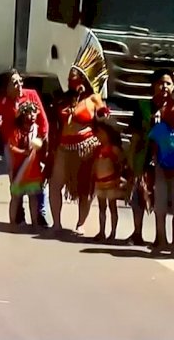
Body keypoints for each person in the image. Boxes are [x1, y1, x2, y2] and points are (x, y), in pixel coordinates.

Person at [49, 31, 109, 235]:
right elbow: (55, 123)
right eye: (69, 77)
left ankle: (81, 223)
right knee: (55, 184)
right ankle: (56, 223)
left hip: (86, 149)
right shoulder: (62, 99)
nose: (70, 80)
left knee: (85, 188)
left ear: (83, 78)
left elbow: (104, 119)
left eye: (74, 77)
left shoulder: (94, 99)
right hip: (64, 147)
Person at [0, 68, 49, 226]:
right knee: (16, 183)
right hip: (13, 148)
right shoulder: (1, 103)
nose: (19, 85)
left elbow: (43, 121)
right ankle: (18, 215)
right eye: (14, 82)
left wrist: (39, 141)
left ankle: (40, 216)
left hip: (33, 145)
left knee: (36, 184)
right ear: (7, 87)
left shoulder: (31, 95)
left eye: (20, 81)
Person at [126, 68, 174, 246]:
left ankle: (160, 237)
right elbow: (135, 137)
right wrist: (131, 162)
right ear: (154, 86)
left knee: (161, 200)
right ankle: (137, 233)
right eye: (161, 83)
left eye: (168, 83)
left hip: (167, 161)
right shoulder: (142, 107)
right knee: (139, 196)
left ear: (173, 87)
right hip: (144, 158)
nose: (164, 86)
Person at [148, 92, 174, 256]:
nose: (166, 107)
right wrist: (158, 167)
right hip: (161, 171)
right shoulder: (159, 128)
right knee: (160, 207)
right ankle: (161, 240)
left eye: (171, 104)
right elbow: (154, 149)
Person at [7, 101, 47, 229]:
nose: (33, 116)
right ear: (23, 115)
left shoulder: (37, 129)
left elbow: (43, 144)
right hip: (19, 168)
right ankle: (13, 223)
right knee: (16, 197)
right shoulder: (17, 131)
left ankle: (35, 223)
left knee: (33, 197)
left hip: (33, 169)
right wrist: (24, 152)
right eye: (30, 113)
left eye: (34, 113)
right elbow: (11, 146)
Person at [92, 117, 125, 242]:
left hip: (112, 182)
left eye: (100, 132)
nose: (98, 135)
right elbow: (95, 165)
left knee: (112, 207)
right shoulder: (98, 149)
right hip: (99, 182)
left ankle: (113, 232)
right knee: (101, 207)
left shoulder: (114, 149)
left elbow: (121, 163)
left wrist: (120, 175)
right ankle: (101, 231)